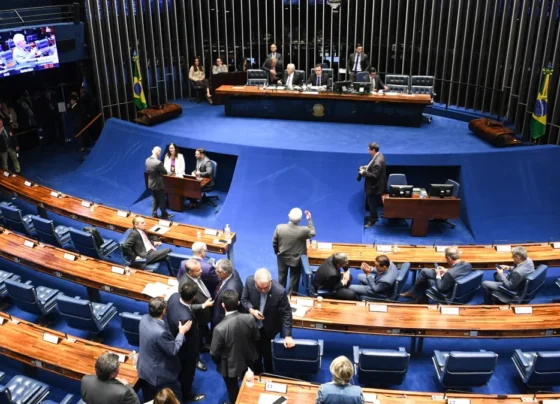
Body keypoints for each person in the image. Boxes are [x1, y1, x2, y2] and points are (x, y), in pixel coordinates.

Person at [138, 297, 192, 402]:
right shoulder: (160, 333)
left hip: (144, 368)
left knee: (150, 398)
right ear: (164, 311)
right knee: (174, 398)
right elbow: (173, 350)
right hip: (160, 375)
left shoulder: (143, 318)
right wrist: (181, 332)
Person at [241, 268, 295, 374]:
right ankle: (257, 373)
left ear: (270, 281)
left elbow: (286, 313)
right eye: (259, 287)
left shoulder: (279, 291)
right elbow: (244, 299)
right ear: (255, 282)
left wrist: (287, 335)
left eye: (265, 287)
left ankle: (269, 374)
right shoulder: (249, 282)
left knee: (268, 355)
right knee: (254, 354)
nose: (263, 290)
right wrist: (251, 310)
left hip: (269, 328)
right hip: (252, 326)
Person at [210, 290, 260, 404]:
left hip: (229, 364)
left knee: (232, 389)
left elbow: (213, 353)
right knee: (249, 383)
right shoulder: (249, 318)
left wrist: (219, 362)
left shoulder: (219, 328)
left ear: (223, 305)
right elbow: (256, 337)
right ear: (238, 303)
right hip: (248, 357)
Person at [166, 283, 206, 402]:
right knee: (187, 374)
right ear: (193, 297)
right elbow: (189, 339)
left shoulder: (174, 297)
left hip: (171, 337)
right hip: (185, 351)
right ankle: (185, 395)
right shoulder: (186, 318)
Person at [400, 246, 473, 303]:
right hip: (454, 283)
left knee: (427, 279)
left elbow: (441, 288)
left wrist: (438, 275)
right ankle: (414, 294)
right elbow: (458, 272)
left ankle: (420, 299)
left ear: (449, 258)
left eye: (446, 258)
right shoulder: (467, 264)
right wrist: (446, 270)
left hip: (448, 291)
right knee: (424, 272)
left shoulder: (449, 274)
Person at [178, 258, 215, 366]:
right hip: (196, 318)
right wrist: (204, 305)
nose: (201, 271)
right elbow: (186, 306)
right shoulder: (185, 286)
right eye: (198, 270)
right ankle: (195, 359)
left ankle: (202, 346)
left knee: (201, 334)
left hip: (203, 317)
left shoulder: (196, 276)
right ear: (190, 272)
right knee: (194, 340)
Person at [273, 208, 315, 295]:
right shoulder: (304, 230)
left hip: (282, 257)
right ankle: (292, 296)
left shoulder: (279, 228)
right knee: (294, 278)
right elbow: (313, 232)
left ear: (289, 216)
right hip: (296, 259)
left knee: (281, 277)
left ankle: (280, 295)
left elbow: (274, 242)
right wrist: (309, 220)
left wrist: (277, 252)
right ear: (300, 219)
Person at [358, 142, 386, 228]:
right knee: (371, 202)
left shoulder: (377, 162)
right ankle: (373, 216)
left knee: (371, 203)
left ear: (373, 150)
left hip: (374, 187)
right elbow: (373, 167)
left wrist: (364, 172)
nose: (368, 151)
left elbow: (374, 176)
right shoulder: (379, 155)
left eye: (369, 149)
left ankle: (373, 219)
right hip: (374, 185)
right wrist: (367, 167)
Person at [212, 258, 244, 329]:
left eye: (217, 271)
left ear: (224, 273)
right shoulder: (233, 271)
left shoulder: (230, 290)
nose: (215, 273)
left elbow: (229, 310)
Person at [146, 146, 173, 219]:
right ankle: (164, 214)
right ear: (157, 153)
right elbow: (165, 172)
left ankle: (154, 214)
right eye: (160, 153)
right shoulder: (158, 163)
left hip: (151, 183)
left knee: (154, 199)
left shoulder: (147, 160)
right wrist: (169, 172)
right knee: (161, 200)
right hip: (158, 184)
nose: (160, 154)